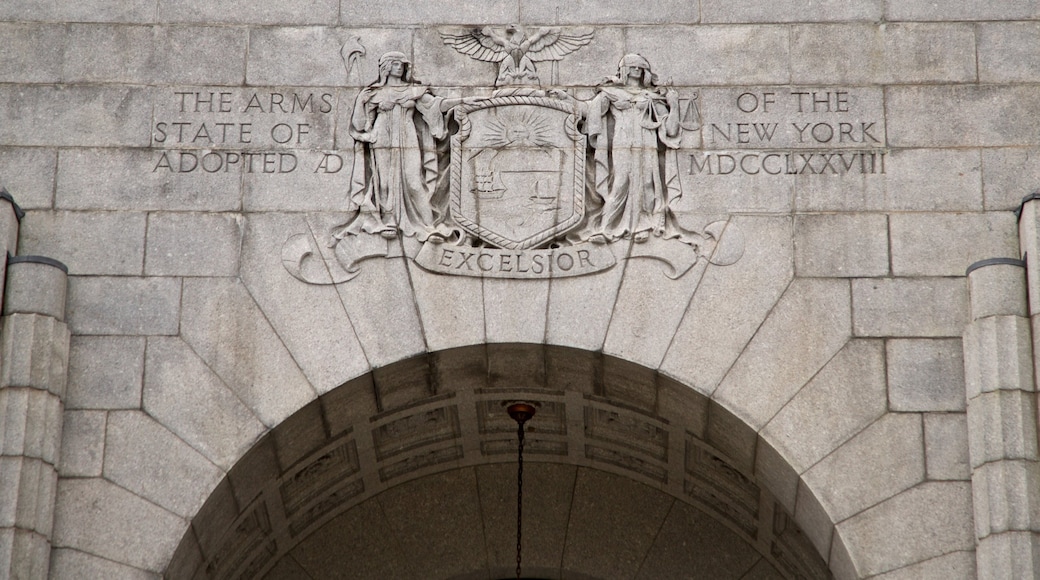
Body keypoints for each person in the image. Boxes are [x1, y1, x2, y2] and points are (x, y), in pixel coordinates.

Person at [333, 52, 458, 243]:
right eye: (396, 64)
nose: (400, 67)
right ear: (386, 67)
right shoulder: (374, 93)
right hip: (382, 137)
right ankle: (389, 220)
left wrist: (463, 102)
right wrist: (360, 101)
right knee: (384, 182)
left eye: (402, 64)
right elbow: (359, 125)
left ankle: (429, 226)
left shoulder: (413, 91)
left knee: (414, 181)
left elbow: (436, 106)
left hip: (408, 137)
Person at [582, 54, 683, 243]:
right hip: (623, 141)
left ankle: (642, 226)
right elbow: (590, 111)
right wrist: (567, 101)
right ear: (624, 70)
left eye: (640, 67)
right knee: (620, 183)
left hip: (647, 141)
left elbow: (671, 129)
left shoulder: (651, 97)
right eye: (632, 67)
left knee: (646, 183)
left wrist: (674, 104)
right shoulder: (611, 93)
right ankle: (606, 229)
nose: (636, 70)